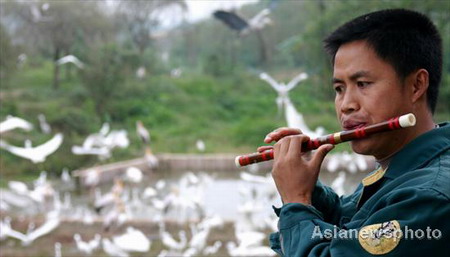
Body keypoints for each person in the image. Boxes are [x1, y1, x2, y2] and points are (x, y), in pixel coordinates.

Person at [261, 9, 449, 256]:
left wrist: (296, 200)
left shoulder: (429, 195)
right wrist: (310, 190)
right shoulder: (398, 169)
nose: (346, 104)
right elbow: (352, 229)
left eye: (363, 84)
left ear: (416, 85)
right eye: (339, 88)